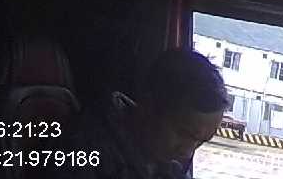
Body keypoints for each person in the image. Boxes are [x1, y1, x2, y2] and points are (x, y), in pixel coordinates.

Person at [55, 48, 228, 179]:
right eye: (183, 133)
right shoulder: (81, 150)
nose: (188, 152)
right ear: (148, 106)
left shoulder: (169, 164)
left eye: (201, 141)